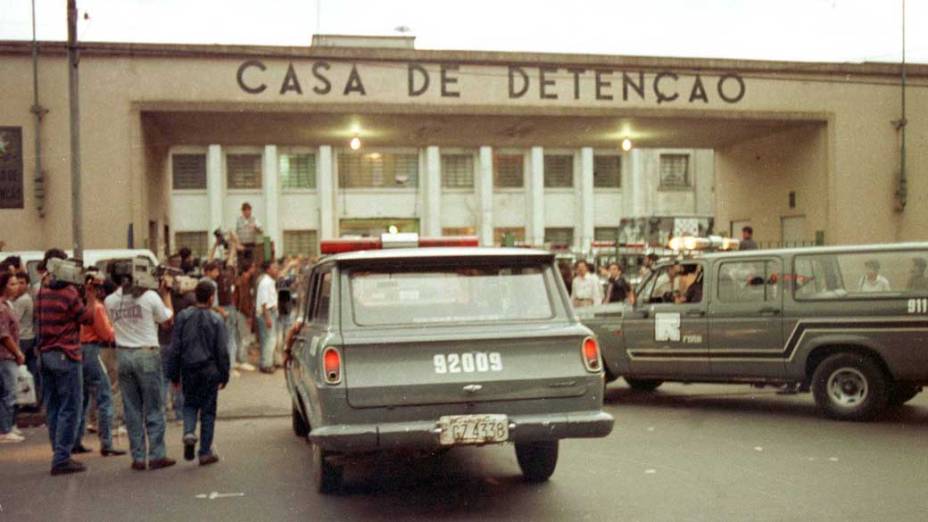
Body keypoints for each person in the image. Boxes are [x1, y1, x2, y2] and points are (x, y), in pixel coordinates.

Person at [105, 264, 176, 471]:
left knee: (132, 408)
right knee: (154, 406)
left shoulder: (110, 301)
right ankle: (156, 455)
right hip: (146, 352)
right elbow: (167, 321)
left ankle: (137, 457)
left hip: (124, 354)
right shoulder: (150, 297)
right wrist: (166, 294)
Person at [35, 249, 95, 474]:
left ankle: (58, 450)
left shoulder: (42, 291)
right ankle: (61, 458)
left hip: (45, 354)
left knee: (53, 406)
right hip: (66, 354)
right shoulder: (69, 293)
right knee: (71, 407)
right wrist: (90, 295)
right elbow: (87, 318)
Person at [166, 281, 230, 466]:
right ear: (211, 297)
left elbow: (175, 347)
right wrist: (224, 375)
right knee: (208, 411)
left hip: (189, 369)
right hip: (210, 370)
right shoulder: (216, 319)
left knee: (190, 404)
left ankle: (188, 431)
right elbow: (222, 351)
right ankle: (204, 451)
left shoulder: (183, 317)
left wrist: (174, 374)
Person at [74, 275, 126, 457]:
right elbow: (106, 334)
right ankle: (106, 443)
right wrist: (116, 330)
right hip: (94, 350)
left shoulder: (81, 306)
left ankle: (75, 440)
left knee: (83, 397)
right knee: (105, 397)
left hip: (80, 350)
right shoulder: (97, 308)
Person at [0, 271, 26, 443]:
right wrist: (17, 352)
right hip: (5, 356)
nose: (16, 287)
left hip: (9, 355)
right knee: (8, 393)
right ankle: (5, 429)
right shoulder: (2, 308)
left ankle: (8, 426)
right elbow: (4, 335)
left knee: (9, 392)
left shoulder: (8, 304)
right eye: (12, 284)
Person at [201, 260, 239, 377]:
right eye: (215, 271)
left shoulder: (203, 282)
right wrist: (222, 311)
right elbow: (212, 303)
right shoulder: (211, 284)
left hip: (206, 314)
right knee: (225, 339)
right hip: (213, 314)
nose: (218, 273)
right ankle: (228, 367)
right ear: (208, 271)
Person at [11, 272, 39, 408]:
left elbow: (15, 319)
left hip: (22, 338)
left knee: (20, 370)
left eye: (22, 283)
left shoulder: (23, 300)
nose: (19, 286)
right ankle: (32, 399)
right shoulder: (25, 298)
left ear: (27, 284)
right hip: (29, 336)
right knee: (30, 370)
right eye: (17, 283)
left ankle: (24, 400)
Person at [234, 261, 258, 371]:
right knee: (245, 337)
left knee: (240, 337)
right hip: (242, 312)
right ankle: (242, 360)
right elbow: (243, 300)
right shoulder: (243, 281)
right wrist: (248, 315)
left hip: (241, 312)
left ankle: (239, 359)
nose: (254, 269)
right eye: (253, 267)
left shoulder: (243, 280)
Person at [256, 260, 279, 373]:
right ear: (268, 269)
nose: (276, 270)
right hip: (267, 312)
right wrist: (268, 317)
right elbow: (264, 302)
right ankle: (266, 364)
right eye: (274, 268)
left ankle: (266, 361)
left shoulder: (270, 281)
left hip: (270, 312)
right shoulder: (265, 282)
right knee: (269, 339)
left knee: (268, 339)